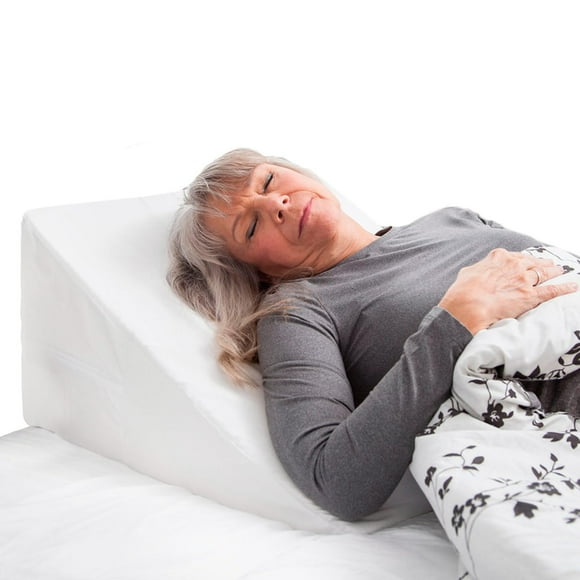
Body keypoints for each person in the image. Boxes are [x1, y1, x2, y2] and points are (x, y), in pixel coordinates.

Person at [167, 148, 578, 521]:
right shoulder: (298, 313)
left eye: (269, 181)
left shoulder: (451, 218)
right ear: (257, 273)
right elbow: (335, 482)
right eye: (251, 226)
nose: (276, 203)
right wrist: (455, 320)